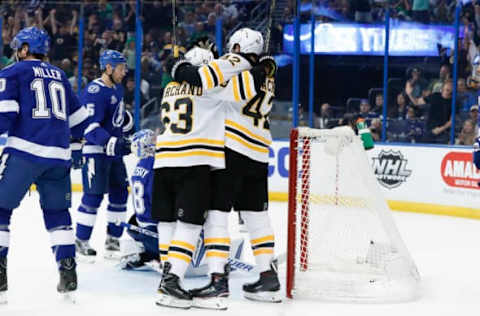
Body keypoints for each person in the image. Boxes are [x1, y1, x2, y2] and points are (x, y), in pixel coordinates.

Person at [170, 29, 281, 308]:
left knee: (216, 215)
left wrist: (181, 65)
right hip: (258, 152)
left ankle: (218, 282)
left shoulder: (235, 63)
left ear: (235, 45)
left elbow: (202, 80)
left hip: (232, 149)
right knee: (257, 217)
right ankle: (268, 276)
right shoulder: (266, 74)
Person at [0, 26, 90, 301]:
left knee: (1, 210)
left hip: (25, 152)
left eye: (19, 47)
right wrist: (74, 151)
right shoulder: (61, 76)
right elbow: (80, 122)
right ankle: (68, 271)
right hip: (58, 157)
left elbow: (5, 113)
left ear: (25, 48)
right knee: (58, 216)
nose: (16, 52)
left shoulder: (12, 72)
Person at [75, 50, 132, 261]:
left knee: (120, 195)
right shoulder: (94, 91)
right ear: (108, 68)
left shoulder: (116, 90)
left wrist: (129, 132)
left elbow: (117, 120)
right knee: (93, 197)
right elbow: (88, 127)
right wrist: (111, 142)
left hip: (114, 155)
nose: (124, 72)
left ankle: (113, 239)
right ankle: (80, 241)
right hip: (96, 153)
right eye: (120, 68)